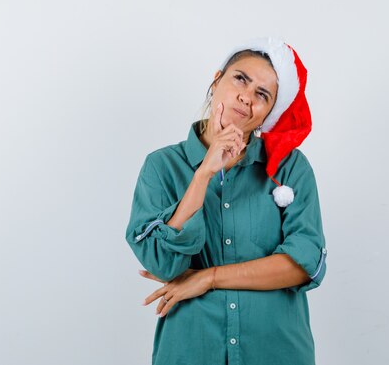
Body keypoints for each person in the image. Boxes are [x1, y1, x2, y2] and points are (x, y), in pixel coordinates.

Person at [124, 37, 327, 365]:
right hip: (192, 351)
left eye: (262, 95)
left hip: (277, 352)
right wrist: (203, 174)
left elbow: (302, 264)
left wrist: (208, 277)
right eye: (240, 79)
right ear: (216, 80)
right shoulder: (161, 166)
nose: (247, 96)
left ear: (267, 115)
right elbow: (162, 264)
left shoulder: (291, 168)